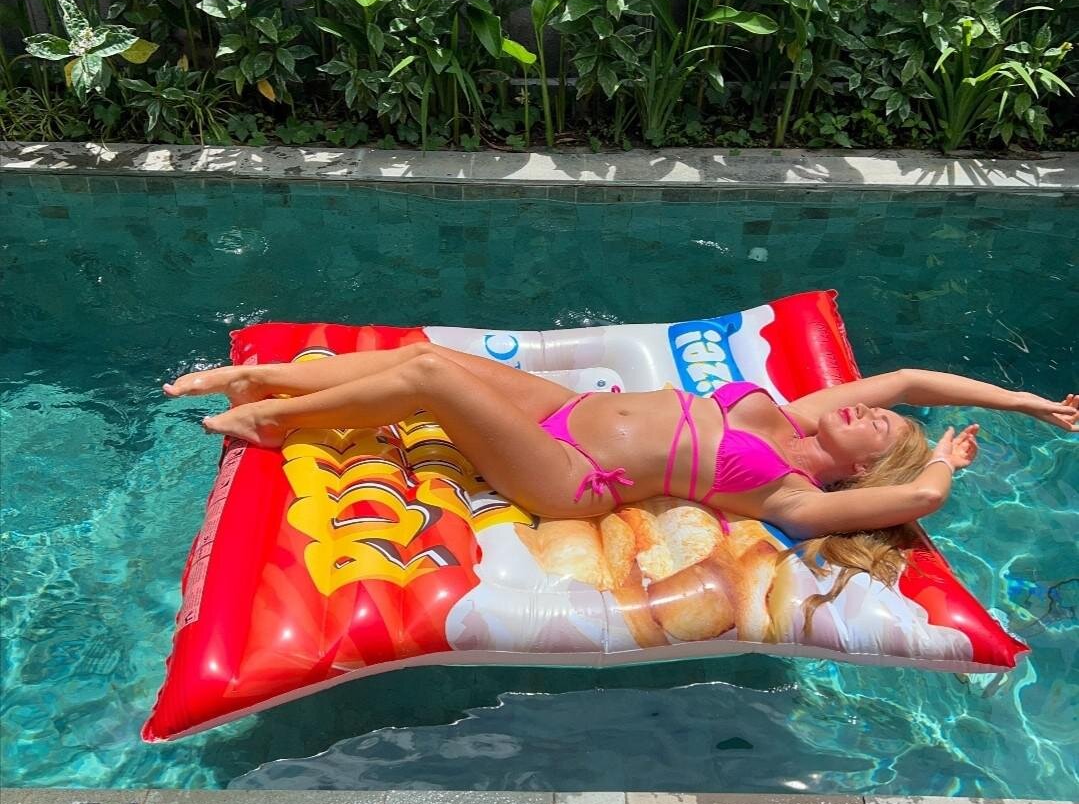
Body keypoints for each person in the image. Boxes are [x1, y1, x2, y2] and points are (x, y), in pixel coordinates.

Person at [164, 342, 1076, 546]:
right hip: (567, 410)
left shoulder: (794, 496)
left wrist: (943, 461)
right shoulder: (798, 414)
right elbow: (911, 381)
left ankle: (269, 420)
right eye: (875, 411)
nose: (872, 408)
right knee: (432, 358)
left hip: (572, 475)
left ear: (864, 468)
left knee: (434, 382)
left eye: (881, 429)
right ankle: (263, 374)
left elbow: (919, 499)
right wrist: (1026, 402)